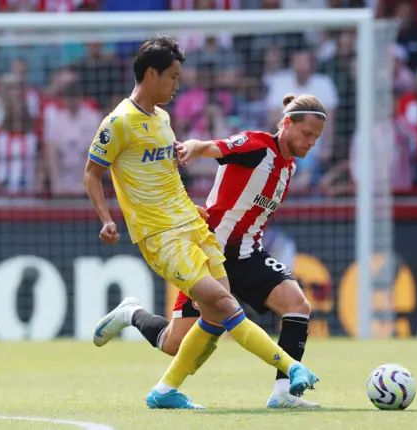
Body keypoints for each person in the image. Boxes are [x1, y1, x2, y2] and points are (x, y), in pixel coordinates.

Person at [84, 36, 318, 410]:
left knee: (186, 335)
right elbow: (92, 173)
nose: (178, 85)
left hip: (193, 226)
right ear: (150, 73)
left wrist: (191, 207)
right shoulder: (118, 123)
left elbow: (165, 176)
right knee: (225, 307)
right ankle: (289, 373)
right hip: (161, 235)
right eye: (173, 77)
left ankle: (157, 372)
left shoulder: (162, 118)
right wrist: (107, 220)